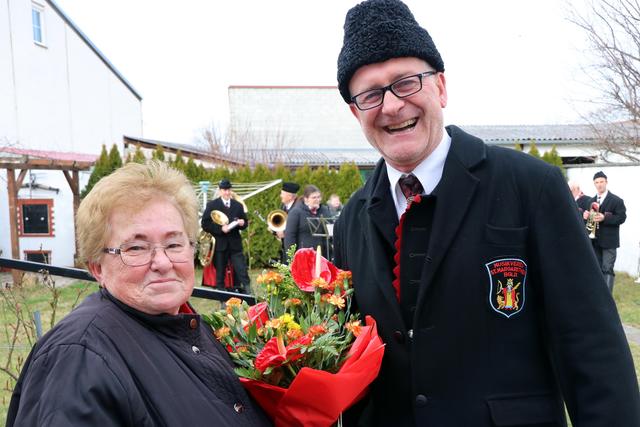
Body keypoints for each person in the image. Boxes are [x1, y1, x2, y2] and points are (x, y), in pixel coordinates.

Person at [332, 1, 640, 426]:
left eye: (405, 82)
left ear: (440, 87)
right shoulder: (351, 220)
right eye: (370, 94)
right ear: (355, 111)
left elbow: (589, 344)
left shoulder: (531, 187)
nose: (391, 105)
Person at [6, 162, 270, 426]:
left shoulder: (185, 327)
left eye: (174, 244)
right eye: (136, 248)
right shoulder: (78, 358)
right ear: (97, 267)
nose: (163, 262)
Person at [201, 179, 251, 292]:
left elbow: (245, 222)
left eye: (228, 190)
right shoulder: (212, 205)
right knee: (220, 274)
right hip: (220, 245)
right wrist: (220, 229)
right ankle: (222, 300)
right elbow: (205, 224)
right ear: (220, 191)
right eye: (224, 190)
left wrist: (243, 223)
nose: (227, 192)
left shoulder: (238, 205)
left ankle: (249, 294)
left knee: (242, 271)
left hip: (235, 245)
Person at [582, 171, 627, 292]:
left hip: (609, 242)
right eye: (596, 182)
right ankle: (599, 297)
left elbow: (621, 218)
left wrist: (604, 217)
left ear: (606, 182)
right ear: (594, 184)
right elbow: (589, 225)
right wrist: (585, 218)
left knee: (607, 268)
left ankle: (608, 300)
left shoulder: (617, 200)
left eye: (601, 181)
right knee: (597, 269)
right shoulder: (590, 201)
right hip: (594, 241)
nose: (599, 184)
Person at [284, 184, 330, 254]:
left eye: (319, 197)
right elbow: (290, 236)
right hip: (304, 254)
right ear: (306, 199)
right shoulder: (296, 212)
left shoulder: (324, 210)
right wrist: (292, 257)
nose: (317, 200)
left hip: (322, 254)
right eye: (314, 197)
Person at [274, 181, 300, 262]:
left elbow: (297, 225)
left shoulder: (298, 206)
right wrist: (275, 230)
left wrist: (284, 232)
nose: (280, 196)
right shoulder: (283, 206)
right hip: (286, 244)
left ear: (289, 196)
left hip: (296, 244)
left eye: (282, 194)